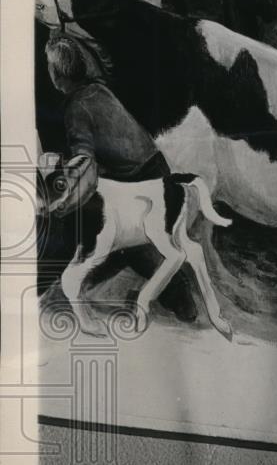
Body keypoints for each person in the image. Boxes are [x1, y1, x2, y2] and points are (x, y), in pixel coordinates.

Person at [44, 34, 198, 322]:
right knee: (131, 233)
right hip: (155, 166)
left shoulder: (76, 109)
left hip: (137, 178)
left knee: (130, 242)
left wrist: (63, 194)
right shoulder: (98, 89)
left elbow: (84, 160)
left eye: (49, 67)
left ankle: (180, 296)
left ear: (57, 75)